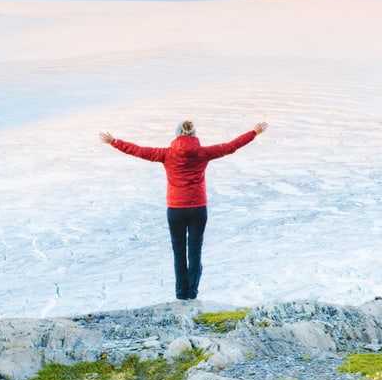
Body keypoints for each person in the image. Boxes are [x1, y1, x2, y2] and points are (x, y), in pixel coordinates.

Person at [98, 120, 267, 301]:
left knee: (179, 253)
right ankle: (192, 294)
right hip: (198, 209)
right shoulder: (203, 153)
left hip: (176, 209)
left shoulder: (166, 154)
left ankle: (181, 295)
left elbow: (139, 151)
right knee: (195, 252)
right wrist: (253, 133)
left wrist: (115, 142)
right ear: (194, 134)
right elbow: (230, 147)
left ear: (177, 133)